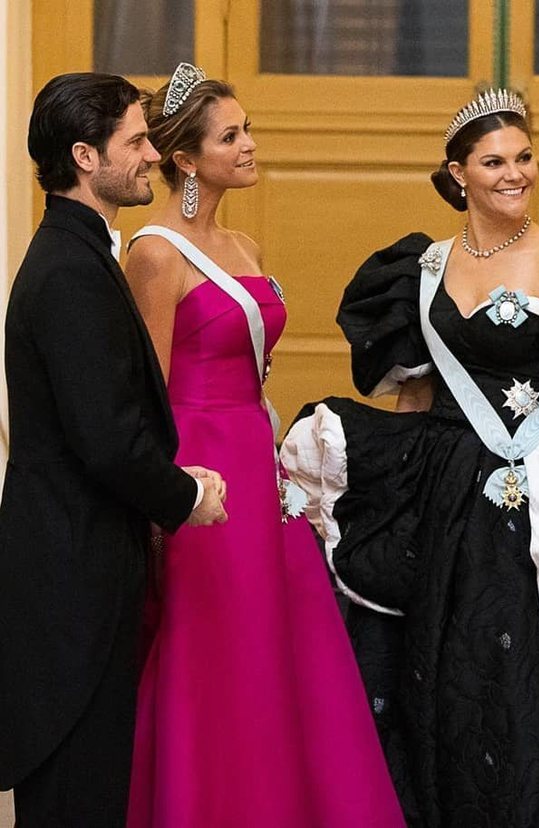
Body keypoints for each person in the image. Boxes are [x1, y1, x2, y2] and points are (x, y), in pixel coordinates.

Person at [280, 89, 539, 827]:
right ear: (458, 173)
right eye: (493, 161)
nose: (513, 173)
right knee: (451, 671)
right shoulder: (419, 269)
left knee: (527, 666)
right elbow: (415, 398)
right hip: (449, 494)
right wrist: (400, 494)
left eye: (523, 157)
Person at [123, 64, 404, 827]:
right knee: (215, 644)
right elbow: (144, 392)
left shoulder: (242, 240)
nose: (249, 145)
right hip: (199, 465)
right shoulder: (153, 253)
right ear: (185, 158)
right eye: (231, 135)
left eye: (248, 130)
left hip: (257, 454)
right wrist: (161, 501)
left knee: (276, 648)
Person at [0, 72, 227, 828]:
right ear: (83, 157)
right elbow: (104, 439)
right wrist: (186, 496)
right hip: (72, 581)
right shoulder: (68, 273)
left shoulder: (79, 255)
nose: (150, 157)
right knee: (77, 796)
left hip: (84, 564)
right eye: (133, 142)